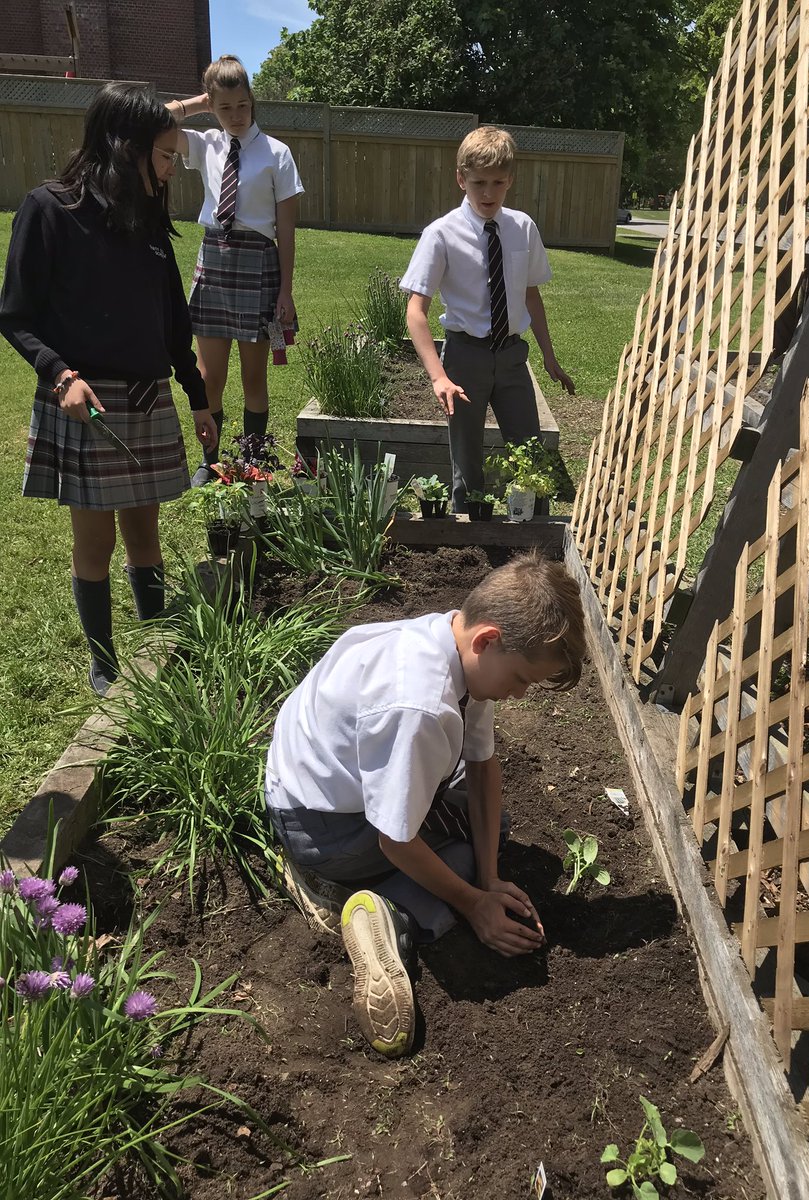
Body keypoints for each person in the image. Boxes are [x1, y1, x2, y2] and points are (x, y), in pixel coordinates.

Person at [265, 552, 586, 1057]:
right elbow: (396, 839)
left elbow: (482, 766)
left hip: (317, 782)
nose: (521, 695)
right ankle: (383, 910)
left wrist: (491, 875)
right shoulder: (420, 706)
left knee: (487, 835)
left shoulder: (450, 643)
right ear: (488, 640)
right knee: (457, 858)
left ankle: (382, 897)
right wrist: (474, 902)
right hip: (323, 827)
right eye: (522, 679)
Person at [0, 83, 217, 696]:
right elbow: (15, 315)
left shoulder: (146, 217)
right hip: (87, 401)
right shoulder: (49, 210)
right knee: (93, 540)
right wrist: (60, 374)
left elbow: (174, 319)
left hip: (147, 398)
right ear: (127, 149)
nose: (173, 168)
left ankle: (154, 646)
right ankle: (104, 661)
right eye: (167, 155)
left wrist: (197, 395)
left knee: (144, 534)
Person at [400, 126, 575, 513]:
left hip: (512, 357)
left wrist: (548, 356)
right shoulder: (442, 234)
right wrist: (439, 377)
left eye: (498, 183)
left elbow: (531, 294)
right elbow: (416, 311)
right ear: (461, 179)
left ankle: (534, 538)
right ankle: (470, 538)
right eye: (478, 182)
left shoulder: (522, 228)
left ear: (510, 180)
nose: (488, 193)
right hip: (464, 359)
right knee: (467, 460)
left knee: (529, 453)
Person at [166, 55, 303, 486]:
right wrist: (196, 106)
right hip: (215, 261)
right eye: (224, 108)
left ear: (252, 100)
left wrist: (285, 291)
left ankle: (252, 461)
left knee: (253, 375)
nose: (236, 115)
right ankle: (211, 460)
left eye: (242, 105)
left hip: (258, 262)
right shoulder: (205, 143)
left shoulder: (277, 154)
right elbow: (147, 122)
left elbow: (286, 229)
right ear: (212, 105)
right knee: (210, 376)